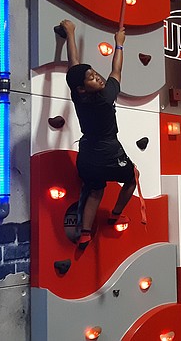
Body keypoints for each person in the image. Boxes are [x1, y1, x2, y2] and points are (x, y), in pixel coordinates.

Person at [60, 19, 136, 249]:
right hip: (108, 150)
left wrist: (70, 34)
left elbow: (74, 65)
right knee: (132, 178)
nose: (98, 77)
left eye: (94, 73)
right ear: (83, 88)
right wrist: (119, 44)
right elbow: (116, 69)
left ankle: (84, 232)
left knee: (95, 189)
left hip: (88, 155)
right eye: (92, 78)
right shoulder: (105, 96)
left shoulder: (78, 94)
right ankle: (115, 214)